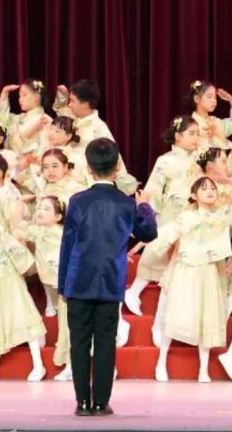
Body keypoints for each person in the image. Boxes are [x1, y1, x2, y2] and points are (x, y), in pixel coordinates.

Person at [57, 136, 158, 416]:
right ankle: (101, 402)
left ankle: (82, 403)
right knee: (104, 342)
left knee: (79, 343)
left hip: (78, 281)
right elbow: (149, 233)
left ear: (89, 168)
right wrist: (144, 205)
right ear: (117, 168)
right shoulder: (125, 203)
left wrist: (63, 284)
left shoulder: (77, 201)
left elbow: (67, 244)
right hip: (110, 282)